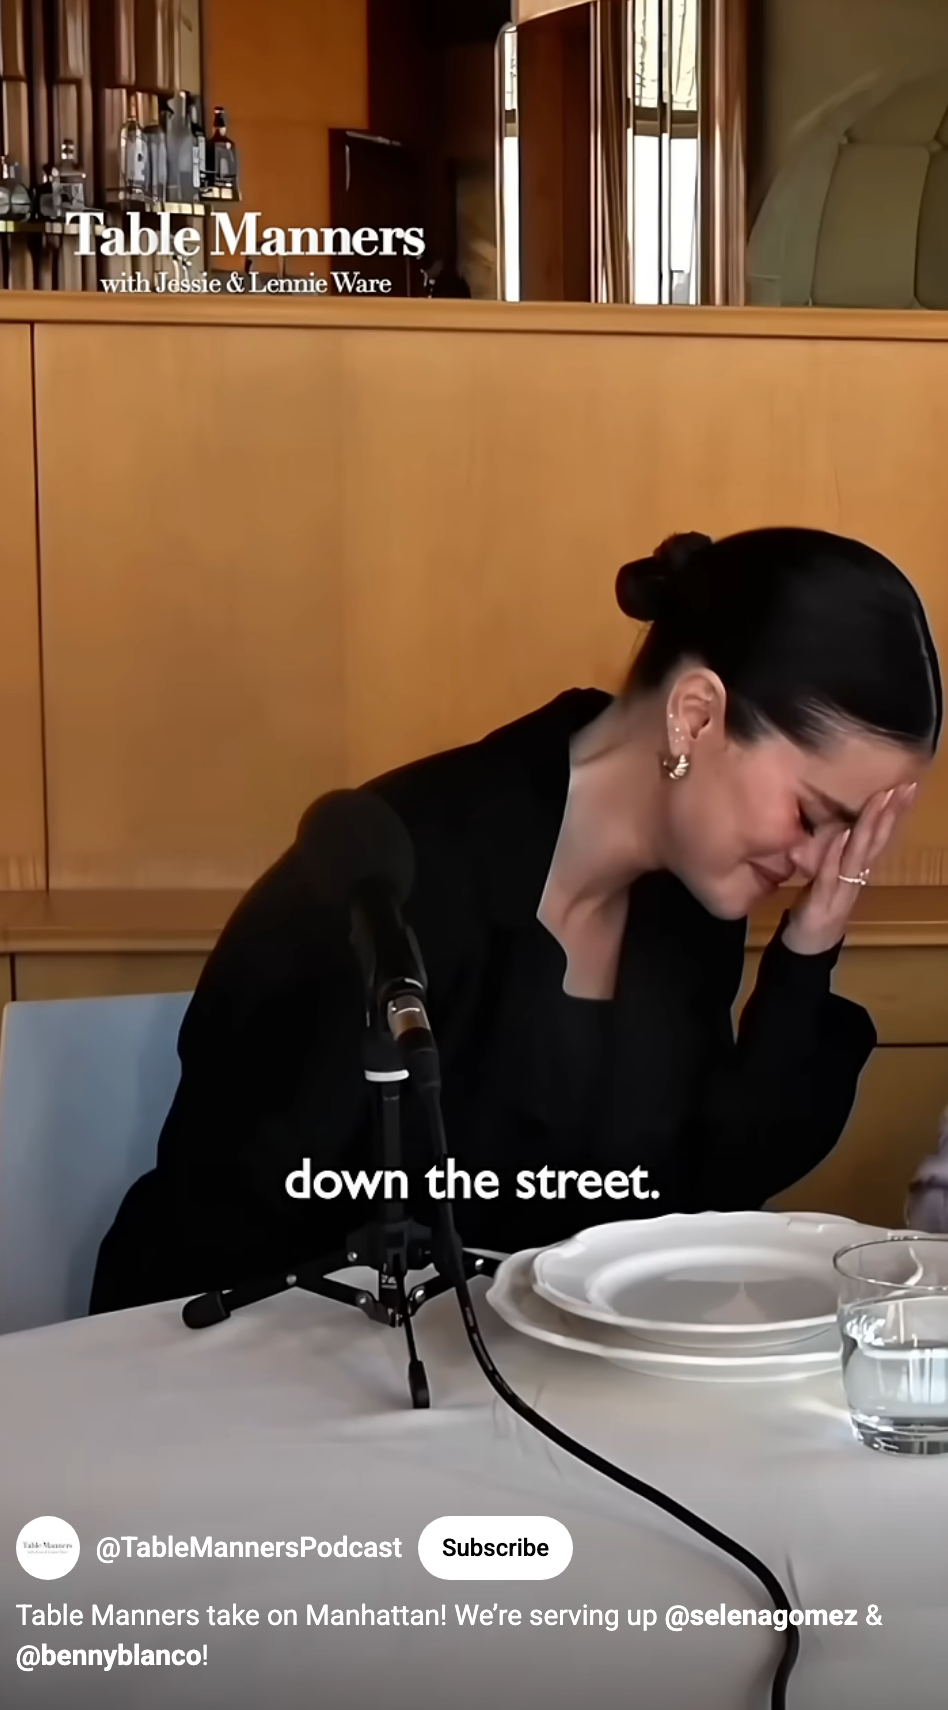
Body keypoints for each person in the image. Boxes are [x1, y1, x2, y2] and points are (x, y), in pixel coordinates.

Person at [89, 527, 942, 1313]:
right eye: (812, 815)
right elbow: (237, 1227)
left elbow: (705, 1198)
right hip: (272, 1384)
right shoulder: (393, 875)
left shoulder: (689, 903)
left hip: (528, 1412)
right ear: (696, 715)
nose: (815, 861)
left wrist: (810, 946)